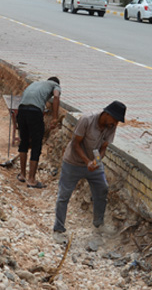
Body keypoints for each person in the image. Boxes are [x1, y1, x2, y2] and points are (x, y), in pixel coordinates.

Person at [53, 101, 127, 242]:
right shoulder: (87, 120)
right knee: (64, 195)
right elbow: (75, 143)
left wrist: (96, 161)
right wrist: (87, 161)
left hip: (93, 165)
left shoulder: (110, 126)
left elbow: (103, 148)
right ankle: (58, 229)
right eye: (115, 120)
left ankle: (98, 225)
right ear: (107, 114)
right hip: (73, 163)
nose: (115, 124)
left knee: (102, 189)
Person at [16, 76, 61, 188]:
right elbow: (56, 97)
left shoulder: (36, 83)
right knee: (36, 145)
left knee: (24, 142)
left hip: (21, 111)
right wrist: (55, 118)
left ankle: (22, 175)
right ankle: (31, 180)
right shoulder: (55, 85)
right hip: (34, 113)